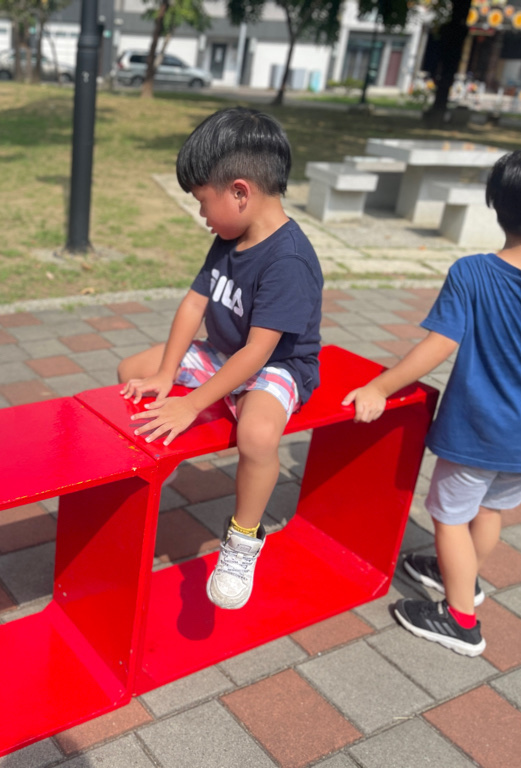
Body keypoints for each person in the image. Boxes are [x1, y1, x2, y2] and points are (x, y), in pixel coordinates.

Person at [343, 144, 521, 657]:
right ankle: (462, 577)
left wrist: (380, 386)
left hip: (481, 431)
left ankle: (460, 619)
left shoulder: (473, 273)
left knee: (449, 516)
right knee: (490, 509)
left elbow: (438, 345)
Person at [118, 107, 323, 610]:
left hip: (277, 366)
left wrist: (191, 404)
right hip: (223, 353)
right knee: (132, 372)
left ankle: (242, 541)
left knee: (257, 435)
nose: (202, 215)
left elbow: (259, 351)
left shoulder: (289, 259)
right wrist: (166, 374)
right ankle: (153, 470)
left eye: (202, 201)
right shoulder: (230, 237)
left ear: (239, 192)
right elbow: (194, 304)